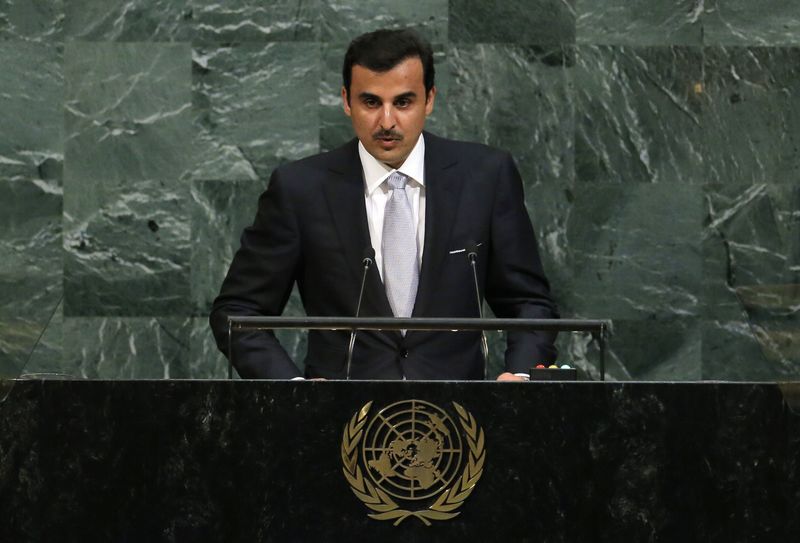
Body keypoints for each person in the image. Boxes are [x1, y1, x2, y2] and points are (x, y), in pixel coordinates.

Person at [210, 28, 558, 381]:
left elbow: (529, 303)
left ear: (430, 99)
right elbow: (239, 311)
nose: (387, 122)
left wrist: (521, 377)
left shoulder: (485, 177)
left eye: (403, 102)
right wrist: (294, 391)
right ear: (347, 101)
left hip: (457, 419)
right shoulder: (301, 189)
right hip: (339, 420)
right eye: (371, 102)